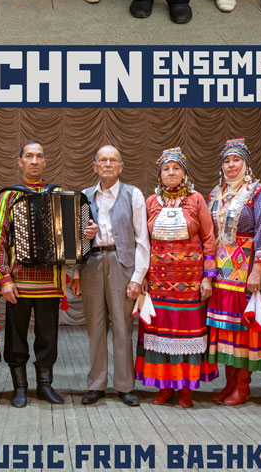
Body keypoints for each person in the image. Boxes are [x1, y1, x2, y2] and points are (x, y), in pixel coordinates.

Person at [135, 147, 217, 406]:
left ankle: (186, 390)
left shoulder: (196, 200)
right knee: (160, 334)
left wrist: (208, 277)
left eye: (176, 168)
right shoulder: (151, 202)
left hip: (190, 283)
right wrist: (144, 274)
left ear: (184, 173)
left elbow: (208, 239)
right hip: (158, 282)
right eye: (166, 168)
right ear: (160, 174)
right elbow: (143, 241)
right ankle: (164, 388)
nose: (171, 173)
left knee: (187, 335)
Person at [70, 145, 150, 407]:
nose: (107, 164)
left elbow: (142, 240)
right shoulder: (83, 196)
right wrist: (76, 273)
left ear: (120, 166)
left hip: (122, 263)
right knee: (94, 327)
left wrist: (138, 276)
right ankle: (96, 385)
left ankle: (125, 385)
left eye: (112, 160)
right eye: (102, 160)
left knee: (123, 326)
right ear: (94, 166)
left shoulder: (133, 195)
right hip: (92, 262)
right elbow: (74, 240)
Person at [0, 142, 65, 406]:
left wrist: (84, 235)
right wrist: (4, 279)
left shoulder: (58, 194)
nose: (35, 161)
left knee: (48, 336)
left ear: (45, 162)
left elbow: (70, 237)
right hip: (18, 282)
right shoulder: (8, 196)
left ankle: (45, 385)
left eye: (39, 156)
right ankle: (19, 387)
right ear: (19, 162)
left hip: (50, 281)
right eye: (29, 156)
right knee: (16, 335)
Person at [206, 138, 261, 405]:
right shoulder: (215, 194)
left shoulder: (258, 192)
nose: (231, 165)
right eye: (227, 161)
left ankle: (243, 385)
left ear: (246, 164)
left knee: (241, 328)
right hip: (221, 270)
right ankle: (229, 382)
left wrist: (257, 271)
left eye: (236, 160)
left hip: (245, 268)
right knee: (223, 327)